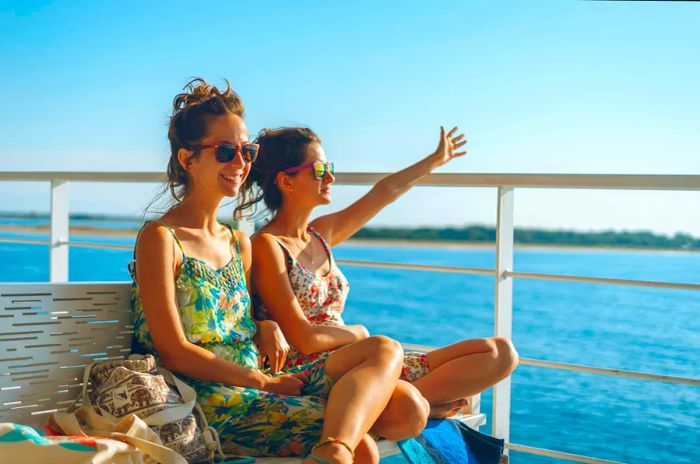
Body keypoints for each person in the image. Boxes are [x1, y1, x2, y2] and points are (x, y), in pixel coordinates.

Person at [130, 79, 428, 464]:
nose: (240, 164)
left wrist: (265, 326)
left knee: (389, 363)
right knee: (363, 447)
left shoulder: (239, 241)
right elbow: (174, 352)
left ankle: (333, 446)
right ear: (188, 159)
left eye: (247, 151)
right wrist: (264, 382)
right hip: (209, 396)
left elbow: (248, 317)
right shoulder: (161, 238)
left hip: (262, 380)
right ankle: (335, 446)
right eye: (225, 152)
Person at [241, 126, 519, 419]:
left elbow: (384, 192)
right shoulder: (266, 245)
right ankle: (411, 406)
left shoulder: (320, 233)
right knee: (399, 374)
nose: (331, 177)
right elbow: (305, 339)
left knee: (500, 353)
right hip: (317, 371)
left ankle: (402, 404)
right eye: (320, 169)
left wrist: (434, 160)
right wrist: (358, 332)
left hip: (365, 360)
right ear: (286, 180)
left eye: (330, 168)